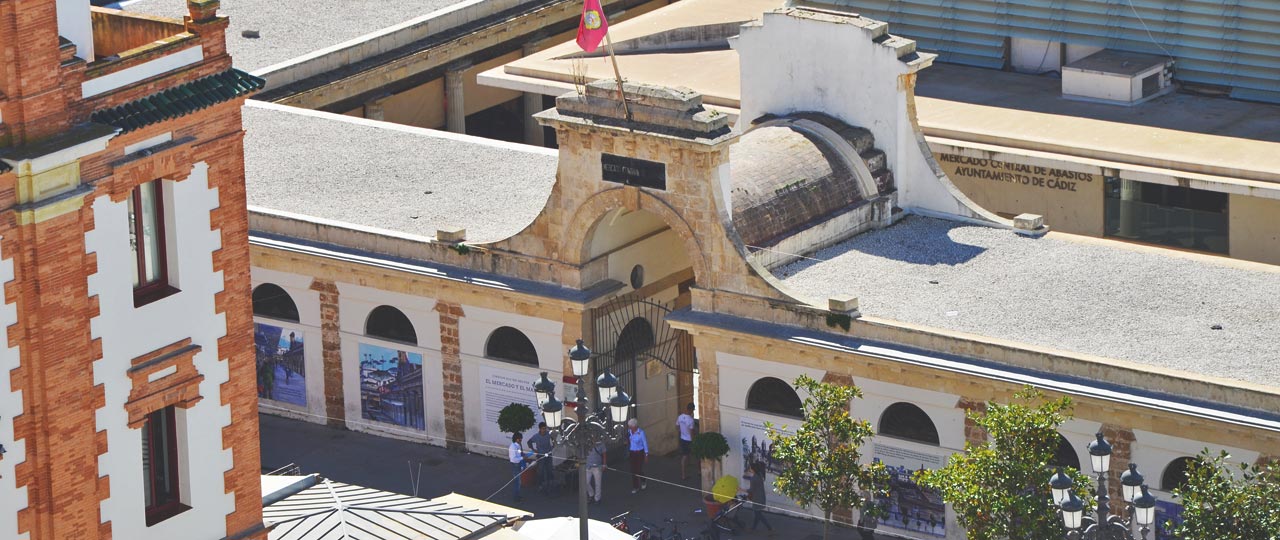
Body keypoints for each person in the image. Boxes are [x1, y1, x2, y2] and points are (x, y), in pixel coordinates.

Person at [527, 422, 556, 495]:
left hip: (549, 454)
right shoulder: (536, 436)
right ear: (540, 429)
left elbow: (553, 439)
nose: (544, 430)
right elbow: (529, 442)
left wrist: (553, 445)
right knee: (541, 471)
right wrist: (534, 449)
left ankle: (550, 484)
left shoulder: (548, 434)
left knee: (549, 470)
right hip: (540, 455)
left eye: (545, 428)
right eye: (543, 429)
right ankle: (541, 485)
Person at [744, 461, 773, 531]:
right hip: (761, 497)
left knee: (758, 515)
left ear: (753, 469)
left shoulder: (754, 478)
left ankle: (770, 528)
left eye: (750, 468)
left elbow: (751, 490)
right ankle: (753, 528)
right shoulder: (759, 475)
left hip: (757, 498)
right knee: (757, 514)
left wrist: (740, 489)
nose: (749, 469)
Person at [627, 418, 649, 494]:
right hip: (632, 453)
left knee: (638, 470)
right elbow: (628, 440)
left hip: (639, 452)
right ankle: (635, 487)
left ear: (635, 426)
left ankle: (643, 480)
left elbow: (645, 443)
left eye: (630, 426)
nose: (629, 427)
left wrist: (646, 454)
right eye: (629, 426)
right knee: (633, 470)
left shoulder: (641, 433)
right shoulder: (629, 432)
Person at [508, 432, 531, 501]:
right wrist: (522, 458)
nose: (521, 441)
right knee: (517, 482)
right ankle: (516, 498)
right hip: (515, 464)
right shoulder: (513, 447)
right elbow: (513, 459)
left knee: (518, 481)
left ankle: (517, 496)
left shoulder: (517, 445)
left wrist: (523, 454)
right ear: (516, 439)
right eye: (520, 440)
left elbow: (519, 452)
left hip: (518, 464)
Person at [676, 402, 697, 480]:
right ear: (691, 410)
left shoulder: (680, 417)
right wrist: (694, 441)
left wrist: (682, 432)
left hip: (682, 438)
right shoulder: (691, 420)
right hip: (689, 440)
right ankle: (684, 475)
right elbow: (692, 432)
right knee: (688, 456)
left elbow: (677, 426)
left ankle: (684, 473)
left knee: (685, 455)